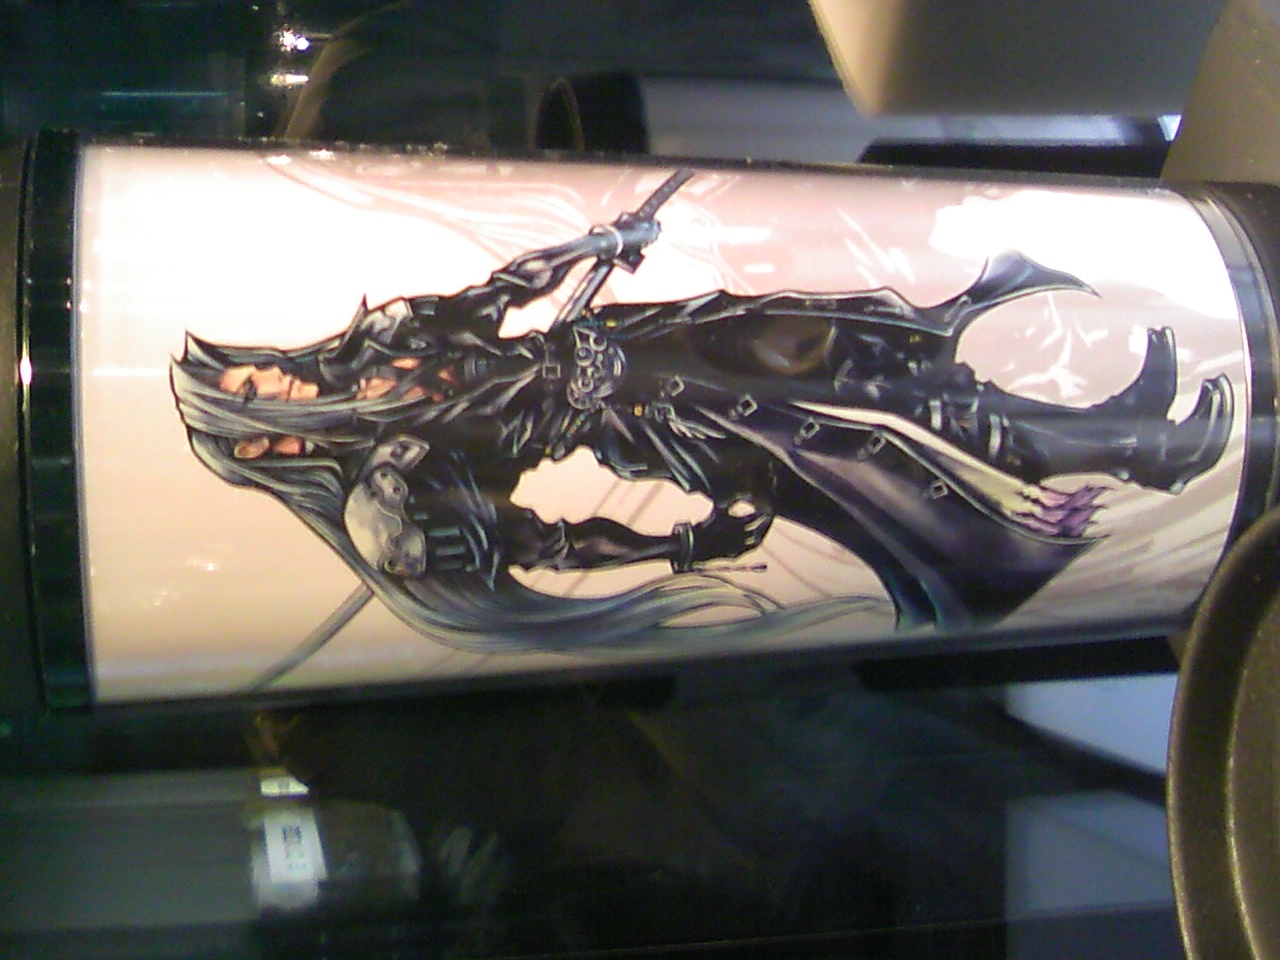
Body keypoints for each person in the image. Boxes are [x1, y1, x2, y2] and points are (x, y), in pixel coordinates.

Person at [171, 171, 1231, 653]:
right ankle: (1123, 464)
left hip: (641, 336)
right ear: (266, 447)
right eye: (254, 397)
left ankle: (1116, 438)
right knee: (858, 449)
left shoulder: (381, 342)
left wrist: (594, 248)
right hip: (648, 421)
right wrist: (682, 548)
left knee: (870, 340)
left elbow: (499, 294)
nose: (275, 378)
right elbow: (545, 543)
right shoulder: (390, 495)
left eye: (255, 372)